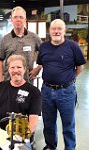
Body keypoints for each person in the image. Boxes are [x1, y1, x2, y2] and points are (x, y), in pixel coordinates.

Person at [36, 19, 86, 150]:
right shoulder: (44, 47)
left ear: (64, 31)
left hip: (66, 92)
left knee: (68, 125)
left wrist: (69, 79)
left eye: (59, 29)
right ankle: (51, 146)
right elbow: (42, 63)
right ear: (49, 31)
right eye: (54, 29)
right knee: (48, 123)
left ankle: (70, 148)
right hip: (46, 91)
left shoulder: (73, 46)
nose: (56, 31)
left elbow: (80, 67)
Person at [0, 55, 41, 147]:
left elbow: (33, 123)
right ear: (8, 69)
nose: (15, 70)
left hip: (17, 137)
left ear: (24, 69)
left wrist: (19, 139)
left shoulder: (34, 92)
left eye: (19, 67)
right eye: (12, 67)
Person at [0, 6, 42, 83]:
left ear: (25, 20)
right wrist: (0, 79)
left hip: (28, 81)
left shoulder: (34, 37)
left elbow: (45, 54)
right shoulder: (5, 39)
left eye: (21, 17)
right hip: (9, 82)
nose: (18, 20)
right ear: (11, 20)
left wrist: (38, 68)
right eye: (15, 17)